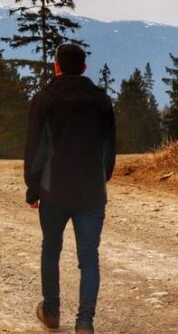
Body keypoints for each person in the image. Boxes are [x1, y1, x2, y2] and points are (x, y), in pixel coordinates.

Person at [24, 43, 116, 334]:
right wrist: (102, 178)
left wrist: (33, 186)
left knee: (51, 249)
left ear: (57, 66)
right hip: (91, 190)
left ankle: (51, 311)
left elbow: (35, 147)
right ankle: (85, 321)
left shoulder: (44, 99)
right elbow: (109, 147)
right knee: (89, 257)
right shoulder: (102, 100)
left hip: (54, 190)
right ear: (85, 68)